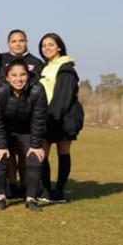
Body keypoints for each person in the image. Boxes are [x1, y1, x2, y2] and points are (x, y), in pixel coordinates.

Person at [0, 59, 48, 212]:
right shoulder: (0, 91)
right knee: (0, 157)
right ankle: (1, 197)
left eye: (22, 75)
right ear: (7, 77)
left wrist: (36, 145)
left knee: (36, 158)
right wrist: (1, 146)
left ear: (28, 76)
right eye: (14, 75)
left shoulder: (38, 90)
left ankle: (31, 198)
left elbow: (39, 119)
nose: (18, 79)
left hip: (28, 131)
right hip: (6, 130)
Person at [0, 29, 44, 197]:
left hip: (27, 117)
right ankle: (13, 184)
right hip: (8, 115)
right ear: (8, 43)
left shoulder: (35, 62)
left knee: (26, 155)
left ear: (26, 41)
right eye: (14, 41)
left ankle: (26, 185)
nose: (17, 44)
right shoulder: (2, 59)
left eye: (21, 40)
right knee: (8, 153)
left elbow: (37, 88)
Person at [39, 33, 84, 203]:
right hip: (46, 116)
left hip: (63, 118)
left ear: (59, 47)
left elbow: (63, 97)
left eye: (51, 44)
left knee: (63, 152)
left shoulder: (66, 68)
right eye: (44, 45)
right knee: (42, 154)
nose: (47, 48)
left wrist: (53, 116)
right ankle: (46, 190)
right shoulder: (45, 67)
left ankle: (59, 191)